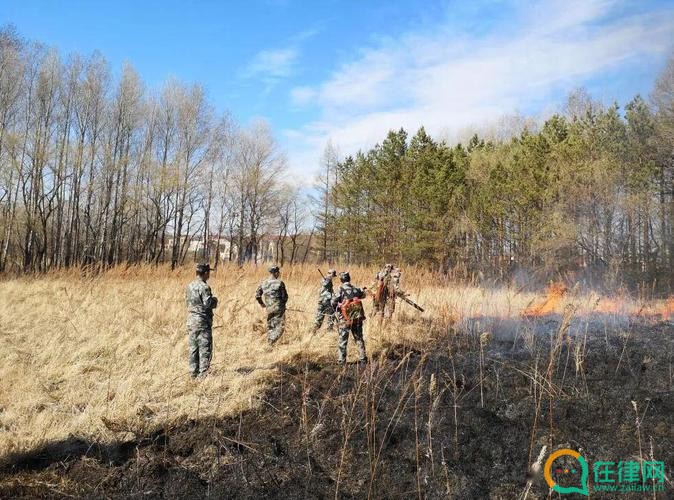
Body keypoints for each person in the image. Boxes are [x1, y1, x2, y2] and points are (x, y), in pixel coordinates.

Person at [185, 263, 218, 378]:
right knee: (205, 350)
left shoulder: (189, 286)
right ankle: (203, 377)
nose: (209, 274)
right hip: (203, 322)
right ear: (205, 273)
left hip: (191, 321)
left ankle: (193, 374)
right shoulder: (205, 287)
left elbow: (188, 303)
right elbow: (208, 303)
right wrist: (215, 300)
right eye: (208, 272)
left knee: (193, 349)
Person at [331, 271, 368, 364]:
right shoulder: (356, 289)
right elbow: (363, 295)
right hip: (357, 319)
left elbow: (333, 302)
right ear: (349, 279)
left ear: (341, 280)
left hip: (345, 319)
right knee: (359, 338)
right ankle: (363, 358)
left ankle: (341, 361)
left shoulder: (340, 290)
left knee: (343, 340)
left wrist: (339, 305)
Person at [256, 265, 289, 345]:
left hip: (269, 309)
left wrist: (262, 304)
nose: (279, 274)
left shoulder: (263, 283)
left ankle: (270, 344)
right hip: (278, 308)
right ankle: (271, 342)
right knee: (280, 327)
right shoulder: (280, 283)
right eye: (278, 273)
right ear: (276, 273)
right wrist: (283, 305)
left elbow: (257, 296)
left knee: (271, 327)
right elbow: (285, 297)